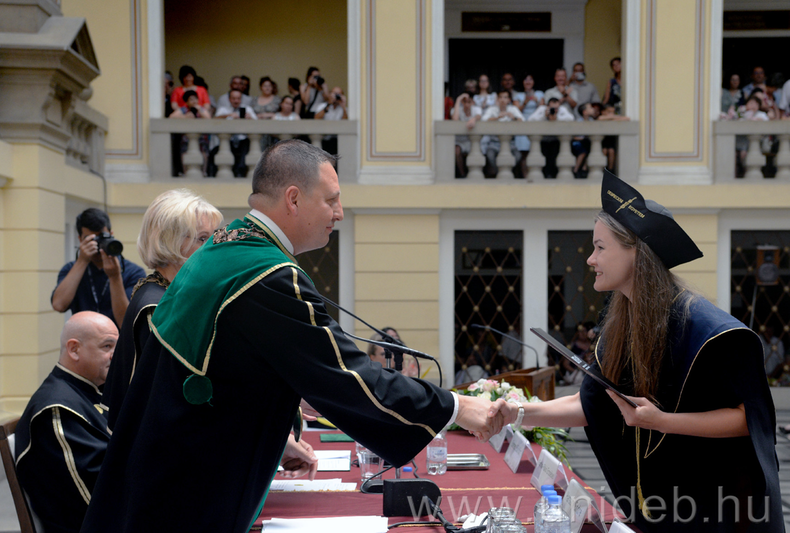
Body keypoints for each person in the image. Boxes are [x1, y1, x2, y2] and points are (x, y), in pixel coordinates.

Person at [80, 140, 510, 533]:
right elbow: (347, 375)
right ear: (293, 198)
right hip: (184, 498)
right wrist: (457, 406)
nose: (339, 213)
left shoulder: (224, 248)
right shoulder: (267, 275)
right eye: (332, 200)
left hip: (158, 478)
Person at [494, 170, 783, 532]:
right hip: (657, 511)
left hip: (713, 511)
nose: (590, 259)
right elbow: (594, 404)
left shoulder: (711, 333)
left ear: (637, 252)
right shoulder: (621, 327)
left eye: (600, 247)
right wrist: (517, 413)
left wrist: (662, 421)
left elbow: (750, 420)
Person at [102, 189, 223, 431]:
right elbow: (173, 397)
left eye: (215, 237)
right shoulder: (157, 306)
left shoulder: (162, 289)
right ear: (170, 241)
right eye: (202, 239)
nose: (213, 247)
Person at [15, 311, 119, 533]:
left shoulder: (86, 391)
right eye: (107, 346)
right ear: (74, 349)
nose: (116, 356)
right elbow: (96, 495)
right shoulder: (56, 410)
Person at [52, 209, 145, 328]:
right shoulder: (71, 269)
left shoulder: (133, 272)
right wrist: (82, 261)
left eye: (101, 237)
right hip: (83, 338)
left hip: (117, 339)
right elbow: (59, 305)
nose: (97, 244)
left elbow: (125, 323)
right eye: (91, 239)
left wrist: (115, 277)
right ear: (80, 239)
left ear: (111, 234)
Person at [211, 89, 257, 177]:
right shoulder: (223, 109)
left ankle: (240, 172)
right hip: (228, 139)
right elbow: (214, 120)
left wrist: (249, 118)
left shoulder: (247, 109)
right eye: (233, 98)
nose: (236, 101)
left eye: (238, 98)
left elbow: (257, 124)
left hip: (243, 139)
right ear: (229, 99)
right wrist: (228, 115)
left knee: (247, 146)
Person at [480, 89, 525, 178]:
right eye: (500, 97)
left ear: (509, 99)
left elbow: (522, 121)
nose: (502, 100)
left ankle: (507, 171)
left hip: (510, 142)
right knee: (490, 154)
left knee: (518, 155)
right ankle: (499, 172)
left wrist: (513, 118)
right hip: (494, 142)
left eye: (505, 97)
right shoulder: (492, 109)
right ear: (497, 99)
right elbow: (483, 120)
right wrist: (497, 118)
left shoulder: (513, 109)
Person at [528, 97, 575, 179]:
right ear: (547, 106)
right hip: (543, 139)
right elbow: (530, 119)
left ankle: (553, 174)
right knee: (544, 158)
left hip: (556, 139)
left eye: (556, 108)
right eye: (552, 108)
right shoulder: (542, 109)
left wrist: (556, 118)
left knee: (554, 158)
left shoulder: (562, 109)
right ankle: (545, 174)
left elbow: (571, 118)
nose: (554, 110)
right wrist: (544, 116)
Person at [451, 91, 482, 177]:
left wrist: (473, 119)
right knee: (456, 151)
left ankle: (473, 174)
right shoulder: (456, 110)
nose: (467, 104)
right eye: (465, 102)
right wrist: (458, 100)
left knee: (476, 151)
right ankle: (462, 174)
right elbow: (455, 119)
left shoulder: (476, 109)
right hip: (459, 141)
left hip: (471, 140)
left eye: (469, 102)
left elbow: (479, 116)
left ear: (473, 102)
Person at [314, 86, 348, 156]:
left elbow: (345, 123)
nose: (337, 96)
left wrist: (343, 106)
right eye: (335, 93)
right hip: (323, 137)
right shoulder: (322, 106)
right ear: (330, 94)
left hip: (337, 139)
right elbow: (316, 118)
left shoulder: (344, 109)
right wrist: (329, 103)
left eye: (339, 94)